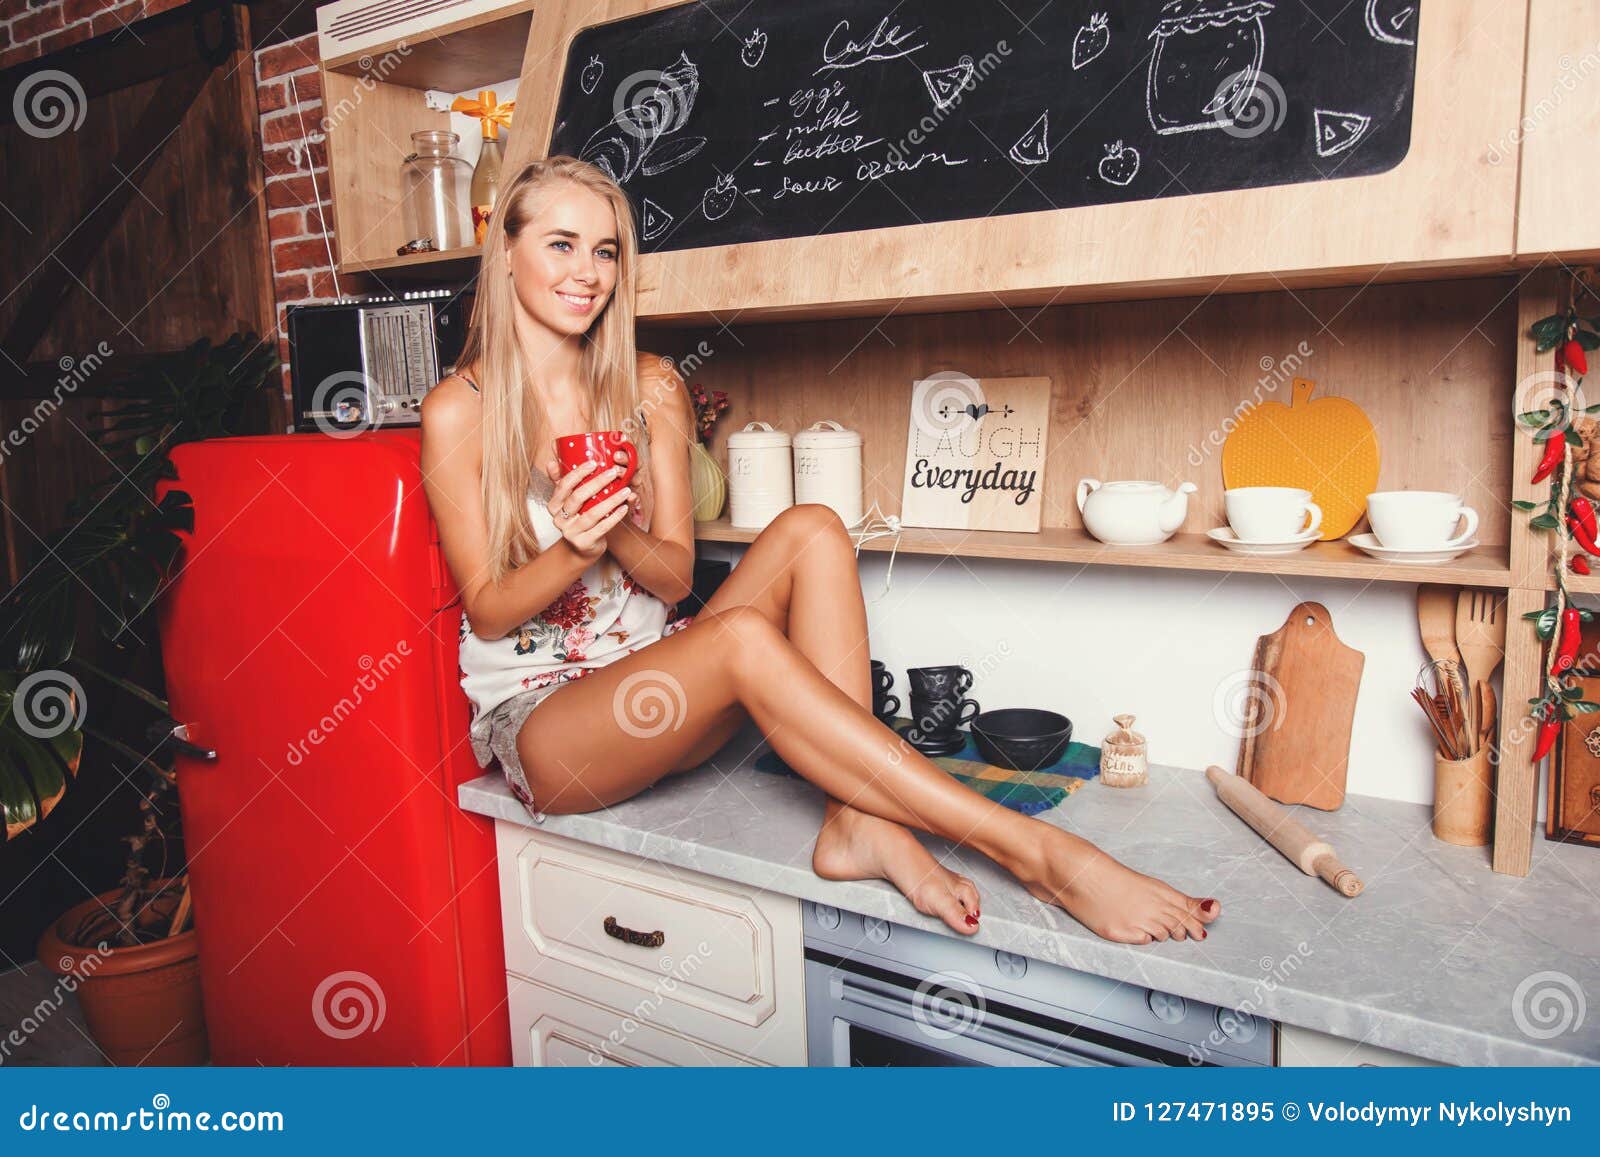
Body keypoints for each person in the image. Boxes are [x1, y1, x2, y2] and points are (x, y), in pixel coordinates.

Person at [419, 155, 1221, 944]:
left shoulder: (652, 384)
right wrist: (570, 549)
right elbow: (487, 612)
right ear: (509, 251)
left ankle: (855, 821)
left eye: (605, 250)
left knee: (815, 527)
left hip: (664, 698)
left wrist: (612, 527)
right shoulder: (460, 411)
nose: (586, 271)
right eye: (560, 244)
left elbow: (668, 579)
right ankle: (1039, 850)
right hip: (552, 733)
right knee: (736, 637)